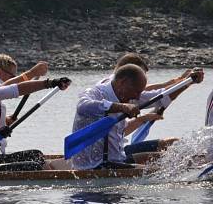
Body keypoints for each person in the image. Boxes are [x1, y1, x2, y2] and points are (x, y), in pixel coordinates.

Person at [70, 63, 201, 170]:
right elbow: (83, 106)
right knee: (158, 171)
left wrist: (188, 82)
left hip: (117, 160)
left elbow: (161, 96)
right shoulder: (97, 92)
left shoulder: (128, 93)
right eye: (136, 91)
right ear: (122, 82)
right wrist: (121, 107)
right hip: (94, 165)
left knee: (171, 160)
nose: (137, 97)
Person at [101, 53, 202, 162]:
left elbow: (154, 92)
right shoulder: (107, 93)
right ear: (127, 74)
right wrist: (143, 118)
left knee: (174, 143)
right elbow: (154, 93)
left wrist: (183, 81)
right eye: (140, 76)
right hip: (110, 158)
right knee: (169, 159)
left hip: (118, 149)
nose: (142, 83)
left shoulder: (118, 87)